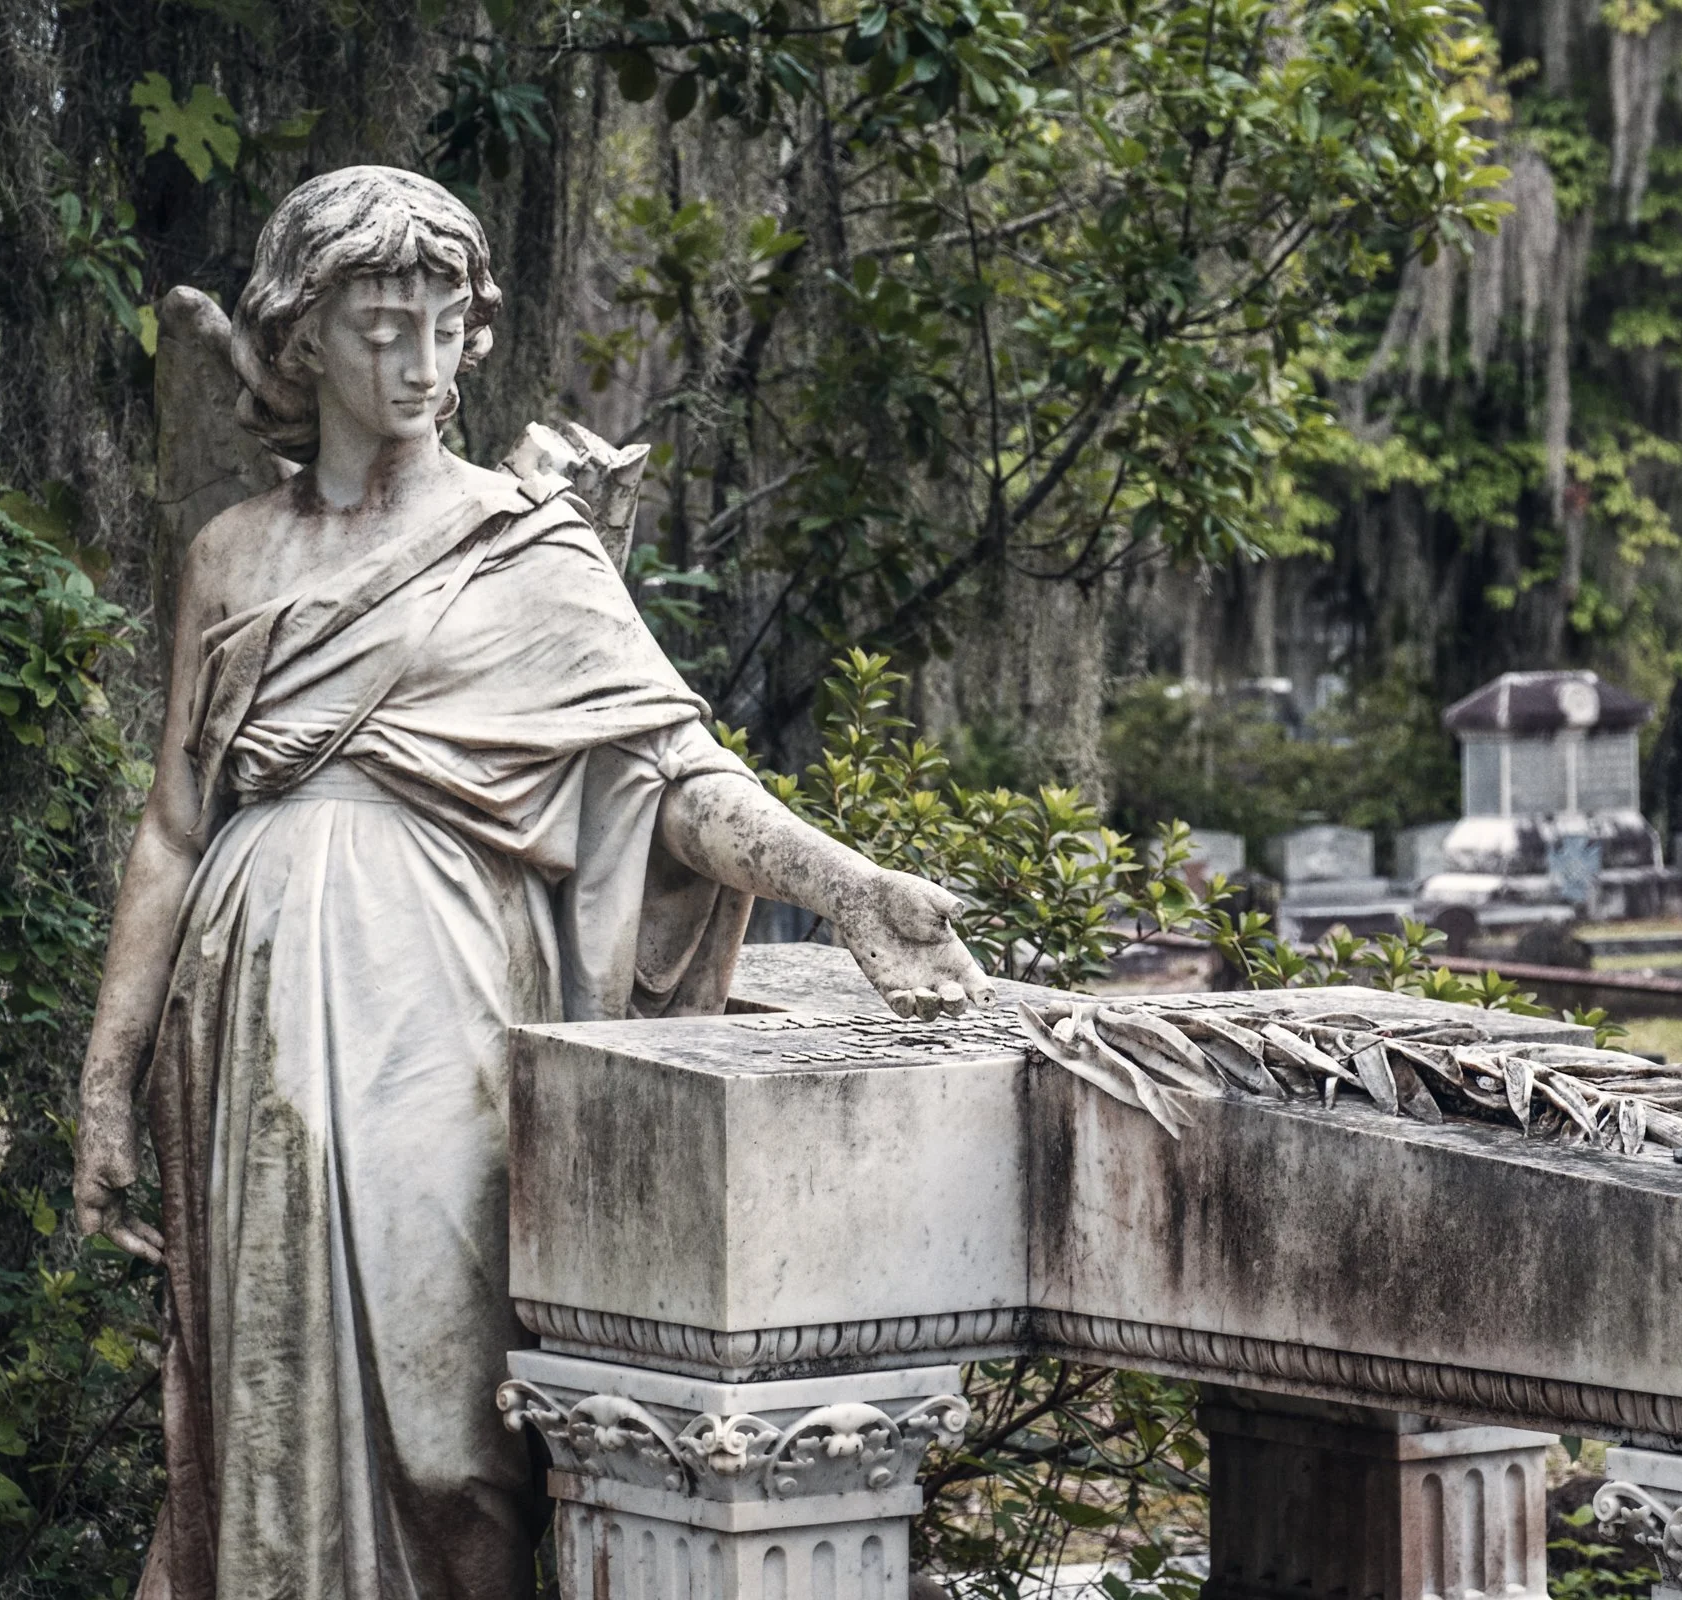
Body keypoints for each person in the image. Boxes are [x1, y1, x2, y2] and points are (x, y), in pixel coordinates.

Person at [71, 165, 992, 1600]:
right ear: (303, 336)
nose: (424, 364)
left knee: (453, 1425)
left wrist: (849, 886)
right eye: (384, 326)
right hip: (244, 1013)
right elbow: (175, 831)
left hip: (438, 999)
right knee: (266, 1386)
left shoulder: (525, 545)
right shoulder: (232, 556)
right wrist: (104, 1074)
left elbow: (676, 778)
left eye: (448, 323)